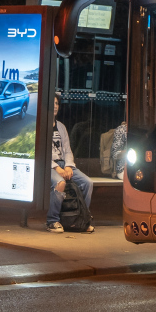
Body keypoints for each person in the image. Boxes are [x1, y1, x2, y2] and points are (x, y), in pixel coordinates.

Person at [49, 96, 93, 234]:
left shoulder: (61, 126)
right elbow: (41, 152)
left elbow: (68, 150)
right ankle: (52, 221)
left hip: (64, 163)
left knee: (87, 183)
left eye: (57, 103)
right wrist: (57, 168)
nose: (55, 106)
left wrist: (68, 166)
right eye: (52, 103)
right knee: (60, 183)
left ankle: (81, 219)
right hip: (48, 165)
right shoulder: (40, 126)